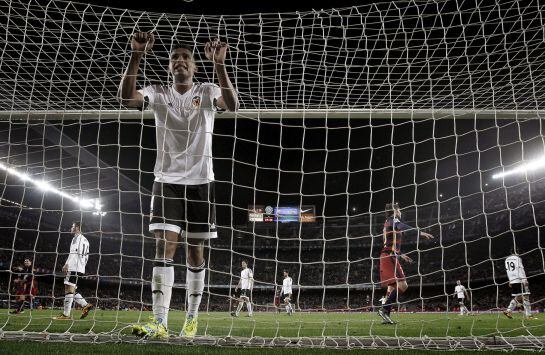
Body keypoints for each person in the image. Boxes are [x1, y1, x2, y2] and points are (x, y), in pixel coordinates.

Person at [118, 31, 238, 339]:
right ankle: (159, 322)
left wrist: (220, 65)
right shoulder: (158, 92)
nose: (180, 61)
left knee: (194, 252)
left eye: (185, 57)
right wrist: (136, 55)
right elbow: (126, 98)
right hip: (167, 180)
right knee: (163, 247)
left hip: (201, 181)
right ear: (170, 67)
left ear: (195, 67)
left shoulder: (208, 89)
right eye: (175, 58)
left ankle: (191, 319)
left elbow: (233, 105)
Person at [378, 202, 433, 324]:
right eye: (399, 209)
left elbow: (389, 243)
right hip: (389, 257)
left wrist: (401, 254)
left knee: (392, 287)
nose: (401, 212)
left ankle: (386, 315)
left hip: (389, 256)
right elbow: (401, 226)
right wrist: (420, 232)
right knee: (403, 285)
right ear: (395, 211)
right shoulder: (393, 220)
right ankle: (384, 309)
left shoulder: (388, 222)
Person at [54, 222, 94, 320]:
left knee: (68, 290)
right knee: (72, 290)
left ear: (77, 228)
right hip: (80, 268)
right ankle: (85, 305)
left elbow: (74, 252)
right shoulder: (86, 240)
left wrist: (67, 263)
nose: (71, 228)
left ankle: (66, 315)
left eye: (72, 226)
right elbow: (86, 257)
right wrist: (82, 267)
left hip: (73, 267)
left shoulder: (76, 238)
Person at [503, 249, 535, 320]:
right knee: (526, 296)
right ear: (517, 252)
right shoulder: (517, 258)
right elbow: (520, 269)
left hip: (513, 280)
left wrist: (510, 280)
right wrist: (524, 280)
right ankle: (529, 315)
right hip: (520, 280)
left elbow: (507, 270)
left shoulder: (506, 259)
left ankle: (508, 311)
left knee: (518, 297)